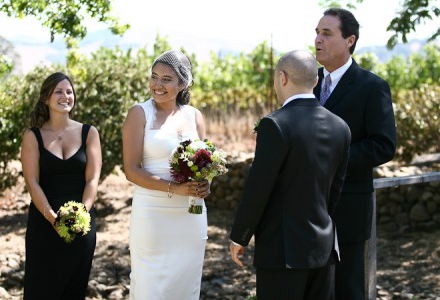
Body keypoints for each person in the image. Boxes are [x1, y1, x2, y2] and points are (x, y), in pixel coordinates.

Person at [229, 50, 351, 300]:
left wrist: (240, 236)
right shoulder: (341, 127)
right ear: (315, 81)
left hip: (282, 251)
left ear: (281, 78)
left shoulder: (275, 124)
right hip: (323, 248)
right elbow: (334, 192)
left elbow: (258, 188)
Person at [314, 8, 397, 300]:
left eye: (327, 33)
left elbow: (383, 144)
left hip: (348, 206)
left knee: (348, 289)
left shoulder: (372, 87)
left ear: (350, 40)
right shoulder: (306, 84)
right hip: (305, 208)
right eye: (316, 32)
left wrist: (332, 161)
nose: (317, 39)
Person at [122, 50, 211, 299]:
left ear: (183, 83)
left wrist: (205, 185)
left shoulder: (195, 116)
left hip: (191, 215)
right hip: (152, 215)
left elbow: (205, 162)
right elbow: (131, 170)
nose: (157, 85)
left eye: (167, 79)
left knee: (185, 285)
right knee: (151, 285)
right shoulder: (139, 114)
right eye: (154, 77)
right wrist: (175, 189)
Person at [20, 72, 102, 300]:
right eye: (58, 91)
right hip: (44, 225)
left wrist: (80, 214)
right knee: (40, 291)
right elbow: (32, 182)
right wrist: (52, 218)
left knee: (74, 292)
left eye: (69, 91)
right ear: (46, 98)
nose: (65, 96)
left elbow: (92, 179)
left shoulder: (89, 133)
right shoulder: (32, 136)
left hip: (80, 227)